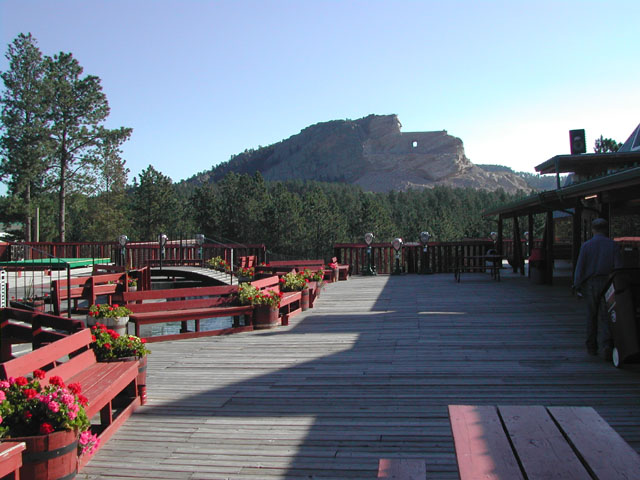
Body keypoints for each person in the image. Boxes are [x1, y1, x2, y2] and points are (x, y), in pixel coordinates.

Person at [573, 218, 622, 359]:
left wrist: (577, 285)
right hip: (608, 281)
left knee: (591, 315)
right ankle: (607, 344)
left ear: (593, 229)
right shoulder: (613, 245)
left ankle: (592, 346)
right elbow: (618, 267)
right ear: (606, 229)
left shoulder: (587, 246)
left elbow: (580, 267)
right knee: (607, 315)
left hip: (591, 283)